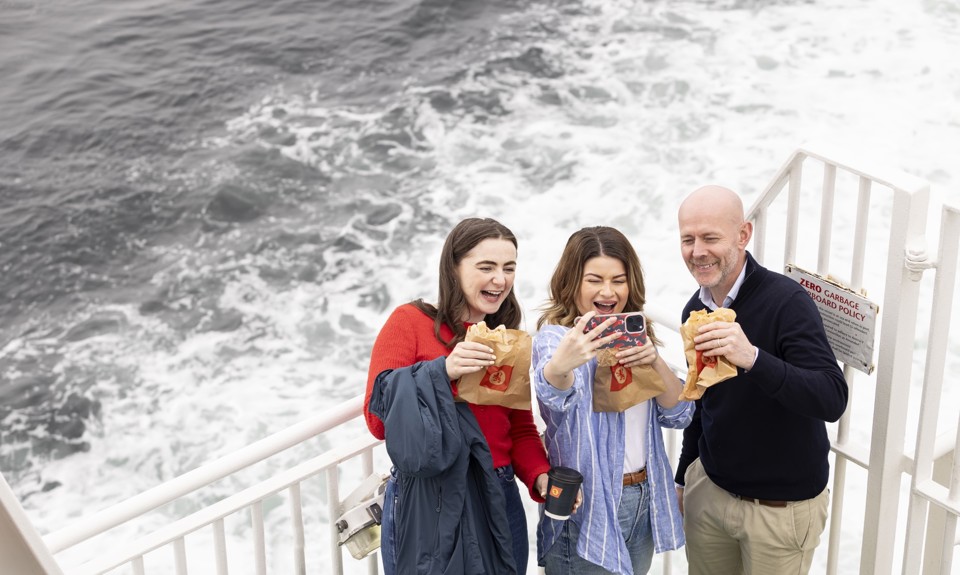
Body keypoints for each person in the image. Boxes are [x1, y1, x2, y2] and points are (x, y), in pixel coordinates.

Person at [673, 185, 849, 574]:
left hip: (779, 512)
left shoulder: (787, 301)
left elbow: (832, 398)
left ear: (743, 235)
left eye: (710, 237)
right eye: (688, 239)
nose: (697, 250)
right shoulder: (694, 309)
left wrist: (752, 358)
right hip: (711, 494)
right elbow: (702, 402)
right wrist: (684, 476)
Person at [364, 217, 551, 574]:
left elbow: (520, 430)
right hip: (428, 500)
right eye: (487, 267)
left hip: (497, 493)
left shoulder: (507, 338)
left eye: (509, 268)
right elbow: (377, 420)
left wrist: (541, 475)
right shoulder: (410, 322)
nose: (501, 279)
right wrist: (444, 372)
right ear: (453, 268)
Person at [533, 226, 693, 575]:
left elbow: (680, 413)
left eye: (618, 280)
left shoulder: (635, 335)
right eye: (594, 280)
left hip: (644, 497)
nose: (608, 291)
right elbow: (553, 395)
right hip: (587, 503)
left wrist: (653, 359)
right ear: (572, 282)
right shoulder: (556, 338)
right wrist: (563, 363)